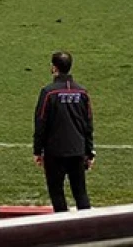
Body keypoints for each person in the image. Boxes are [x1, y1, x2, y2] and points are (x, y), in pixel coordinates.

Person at [33, 51, 94, 213]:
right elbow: (88, 124)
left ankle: (63, 230)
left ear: (54, 68)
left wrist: (37, 150)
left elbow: (40, 122)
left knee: (57, 192)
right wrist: (90, 151)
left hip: (55, 152)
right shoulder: (82, 93)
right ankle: (87, 229)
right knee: (81, 193)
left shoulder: (49, 92)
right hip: (77, 150)